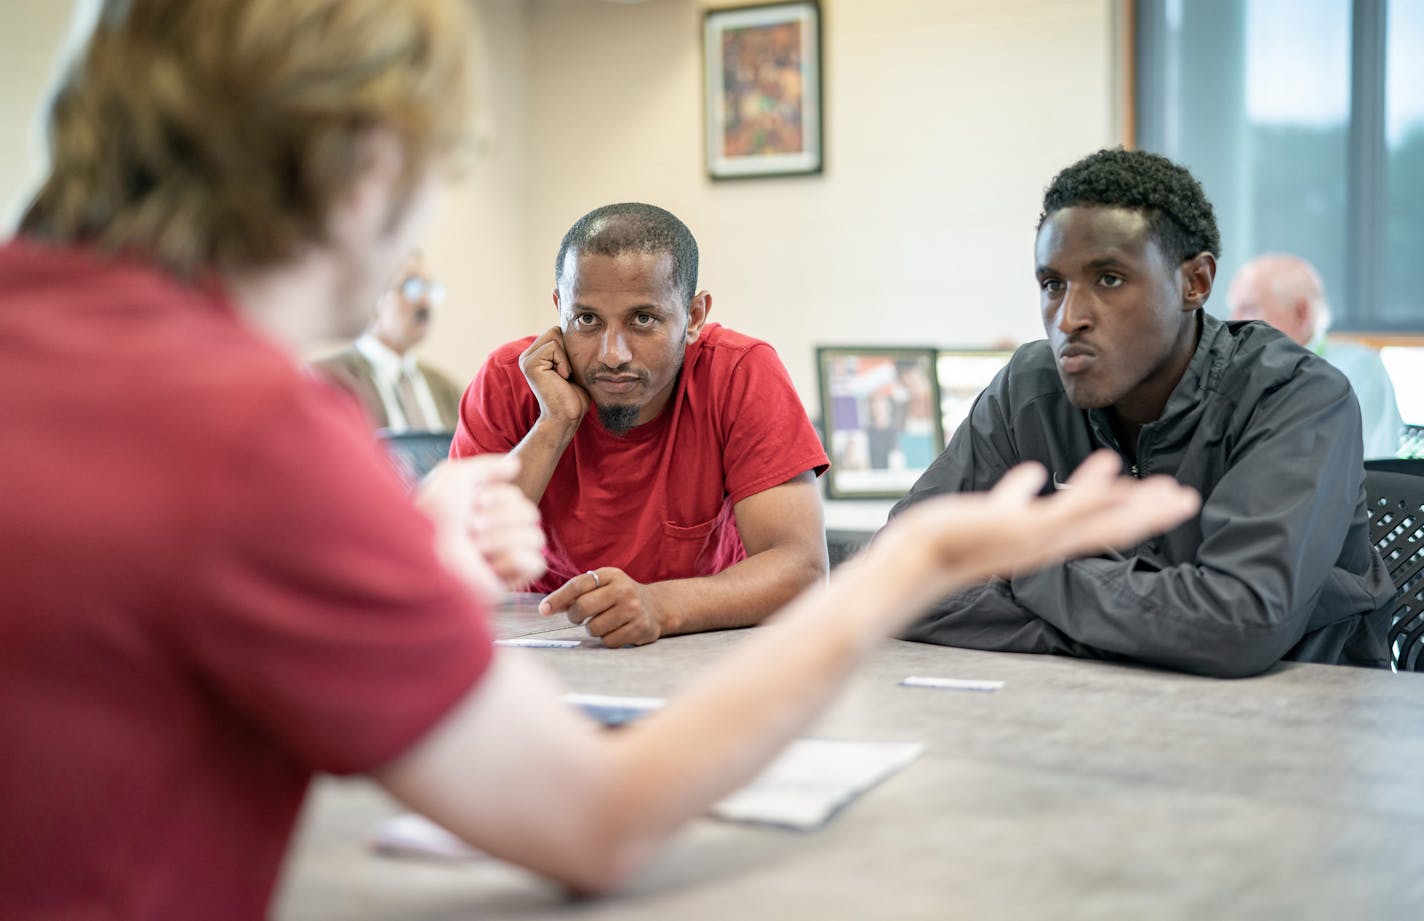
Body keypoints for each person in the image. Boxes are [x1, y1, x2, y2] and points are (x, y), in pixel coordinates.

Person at [0, 4, 1203, 919]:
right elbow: (596, 820)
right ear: (369, 167)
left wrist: (412, 561)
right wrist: (912, 564)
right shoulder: (250, 432)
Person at [891, 147, 1394, 679]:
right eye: (1052, 284)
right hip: (1083, 709)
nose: (1070, 317)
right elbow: (901, 571)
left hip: (1298, 721)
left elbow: (1238, 626)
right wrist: (1134, 634)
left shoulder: (1297, 395)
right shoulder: (1029, 387)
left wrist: (1026, 563)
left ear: (1195, 283)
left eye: (1109, 278)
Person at [453, 202, 832, 647]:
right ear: (559, 308)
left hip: (695, 643)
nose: (613, 354)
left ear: (693, 318)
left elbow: (802, 569)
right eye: (587, 320)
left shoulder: (739, 373)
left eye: (643, 319)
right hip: (537, 640)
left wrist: (658, 605)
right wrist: (554, 423)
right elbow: (456, 562)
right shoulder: (509, 377)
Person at [1227, 253, 1404, 459]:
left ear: (1300, 314)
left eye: (1249, 308)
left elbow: (1358, 471)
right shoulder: (1246, 372)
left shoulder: (1357, 369)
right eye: (1233, 309)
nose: (1232, 322)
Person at [311, 250, 465, 432]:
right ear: (374, 297)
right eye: (413, 287)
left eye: (430, 290)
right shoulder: (330, 378)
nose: (426, 301)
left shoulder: (447, 389)